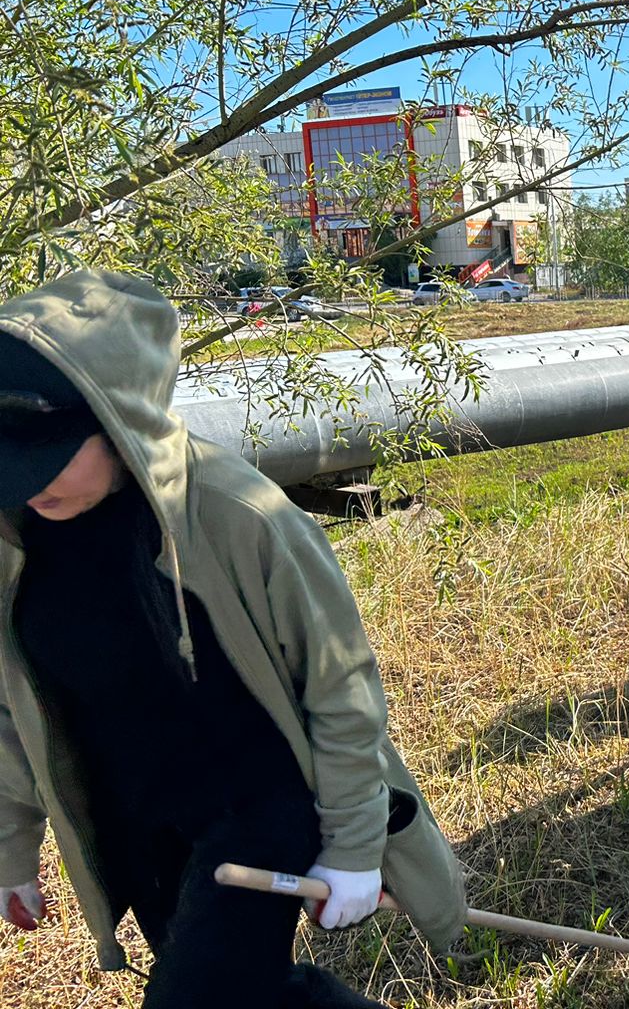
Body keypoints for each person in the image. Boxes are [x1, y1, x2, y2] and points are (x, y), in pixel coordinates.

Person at [0, 271, 467, 1007]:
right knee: (253, 996)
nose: (27, 483)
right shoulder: (15, 541)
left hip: (259, 804)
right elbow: (12, 709)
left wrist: (352, 846)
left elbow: (340, 685)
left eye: (49, 454)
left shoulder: (238, 515)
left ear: (119, 414)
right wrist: (11, 849)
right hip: (139, 819)